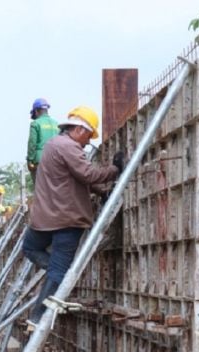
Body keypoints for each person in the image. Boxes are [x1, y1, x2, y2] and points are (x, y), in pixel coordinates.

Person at [22, 105, 124, 324]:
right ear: (79, 129)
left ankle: (54, 278)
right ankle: (39, 316)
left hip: (43, 219)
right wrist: (114, 170)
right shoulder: (69, 147)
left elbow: (73, 179)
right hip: (68, 220)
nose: (87, 143)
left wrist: (102, 191)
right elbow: (87, 174)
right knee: (59, 270)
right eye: (88, 136)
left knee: (30, 248)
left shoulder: (52, 145)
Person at [26, 98, 59, 180]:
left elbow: (32, 143)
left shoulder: (35, 123)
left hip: (40, 162)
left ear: (36, 111)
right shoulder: (56, 124)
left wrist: (29, 160)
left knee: (40, 186)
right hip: (56, 161)